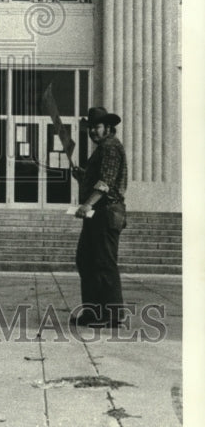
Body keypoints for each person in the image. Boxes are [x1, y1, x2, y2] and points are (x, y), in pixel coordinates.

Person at [70, 105, 128, 328]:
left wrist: (86, 204)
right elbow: (101, 179)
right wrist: (82, 176)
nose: (93, 131)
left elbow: (105, 183)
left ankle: (111, 315)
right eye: (90, 127)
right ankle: (93, 312)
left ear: (108, 128)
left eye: (97, 127)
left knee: (103, 263)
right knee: (86, 260)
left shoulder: (110, 148)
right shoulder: (103, 147)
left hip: (106, 213)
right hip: (98, 214)